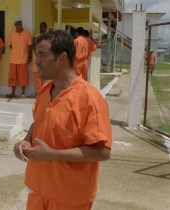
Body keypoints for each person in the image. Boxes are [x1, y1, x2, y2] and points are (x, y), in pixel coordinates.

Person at [13, 30, 112, 210]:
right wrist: (25, 140)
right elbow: (40, 122)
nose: (37, 61)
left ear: (62, 58)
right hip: (39, 188)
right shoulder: (45, 91)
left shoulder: (89, 99)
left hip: (69, 196)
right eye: (37, 55)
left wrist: (52, 154)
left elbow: (102, 152)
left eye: (42, 55)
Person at [6, 18, 32, 98]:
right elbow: (10, 45)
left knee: (23, 77)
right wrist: (16, 51)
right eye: (18, 24)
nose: (20, 25)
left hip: (23, 59)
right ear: (15, 25)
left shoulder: (27, 33)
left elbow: (30, 45)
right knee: (12, 77)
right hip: (13, 60)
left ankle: (23, 93)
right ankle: (13, 93)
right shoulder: (12, 34)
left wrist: (29, 56)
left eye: (21, 23)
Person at [32, 22, 47, 94]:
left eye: (45, 27)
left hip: (45, 58)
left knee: (45, 74)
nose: (43, 28)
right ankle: (38, 92)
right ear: (39, 27)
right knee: (37, 75)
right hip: (37, 58)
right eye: (42, 27)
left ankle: (43, 92)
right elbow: (34, 47)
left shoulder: (47, 37)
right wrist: (39, 56)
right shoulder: (36, 36)